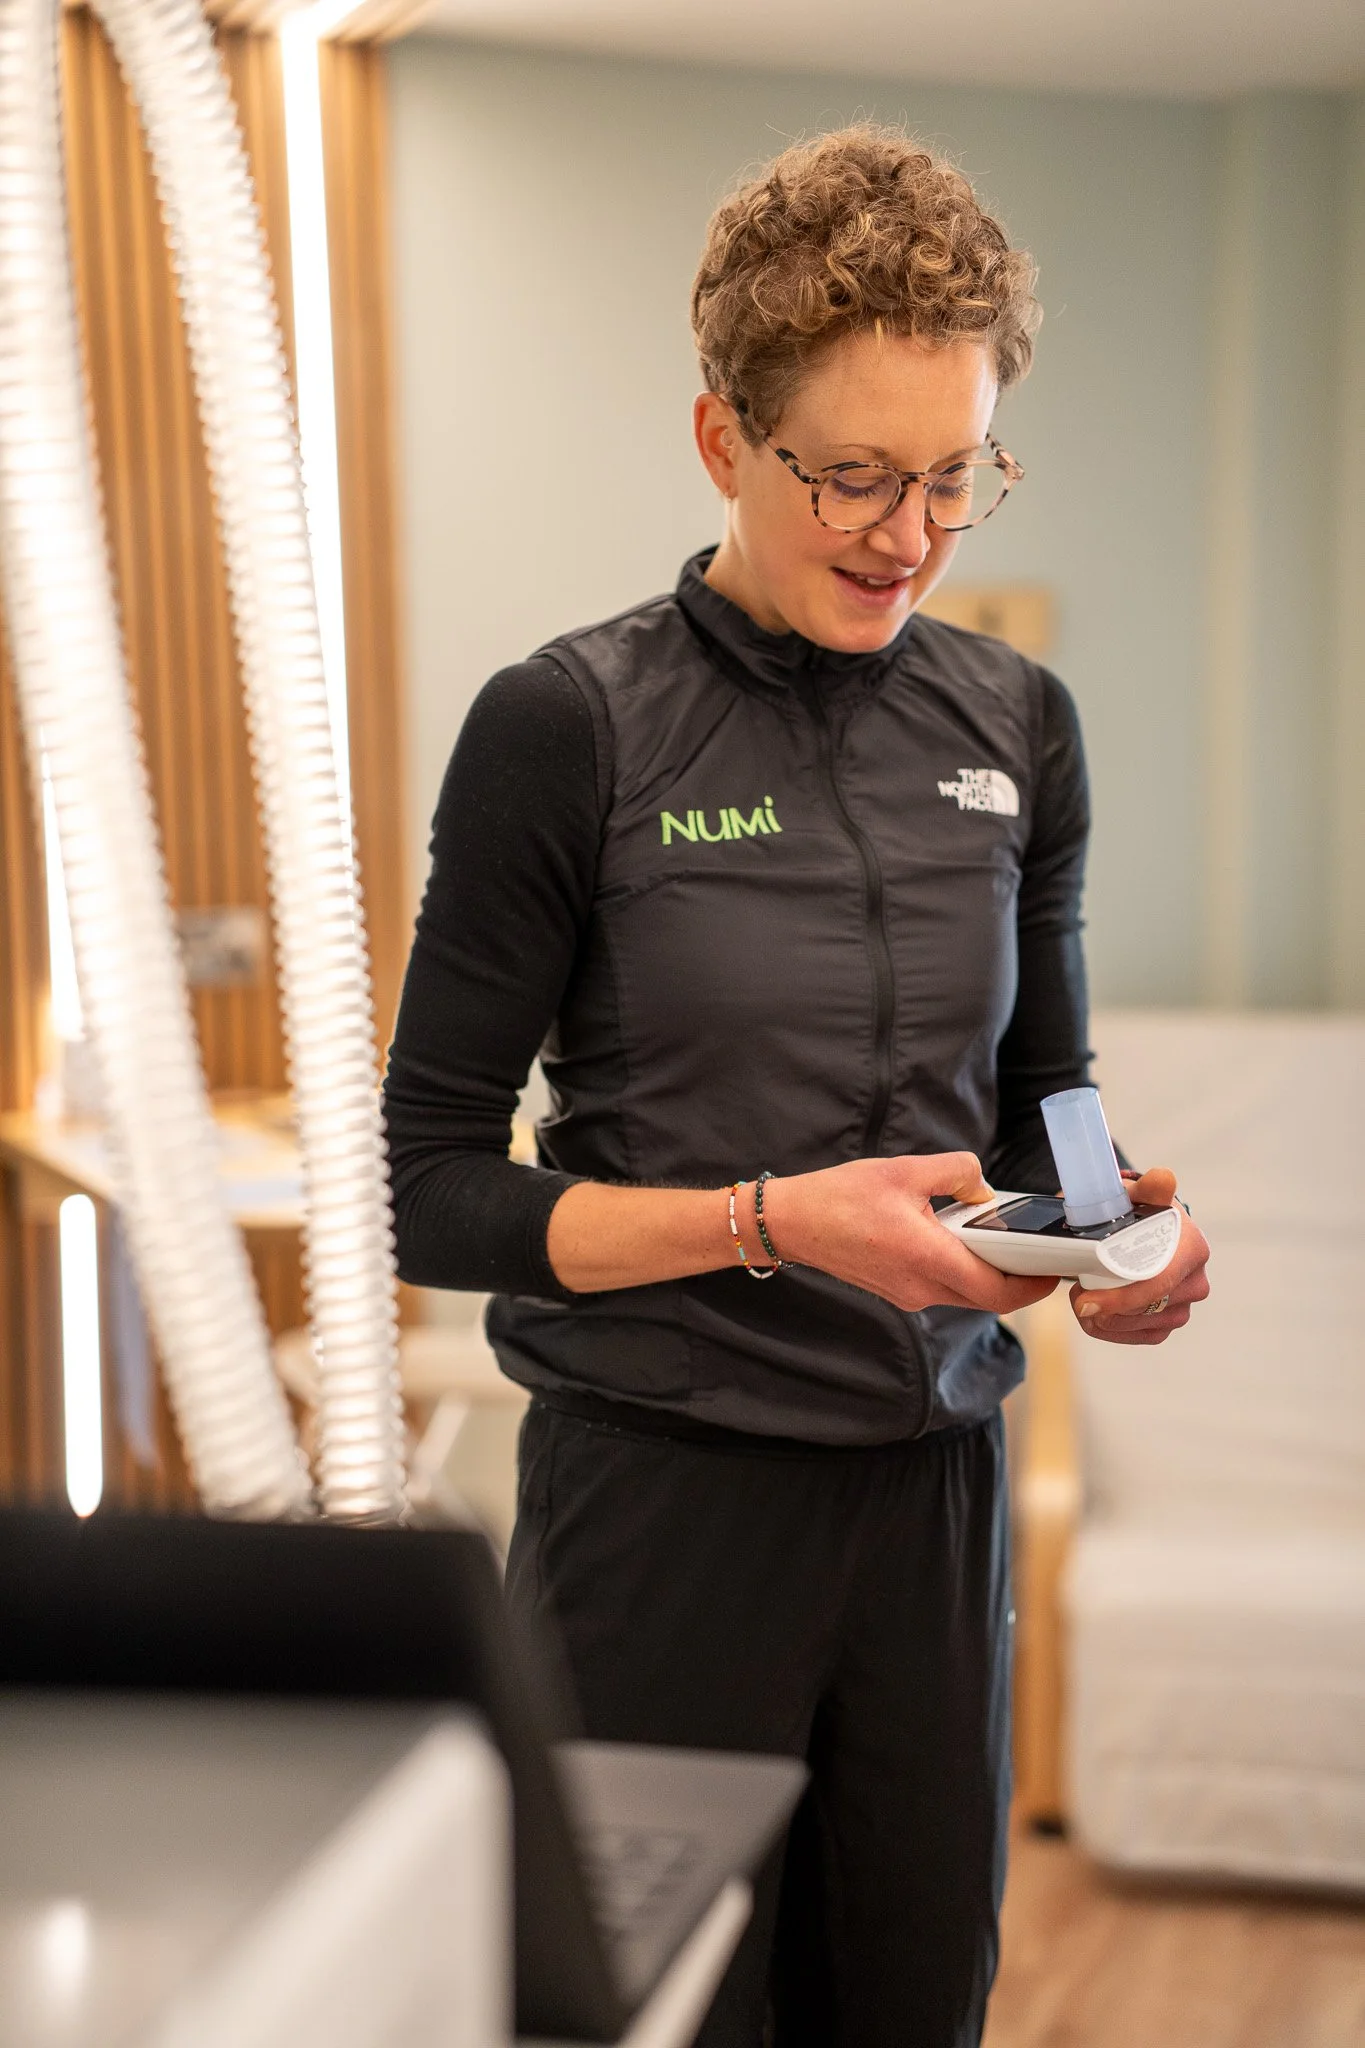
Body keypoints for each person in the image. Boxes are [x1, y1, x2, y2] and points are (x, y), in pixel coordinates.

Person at [383, 126, 1211, 2048]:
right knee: (644, 2019)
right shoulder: (567, 728)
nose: (908, 537)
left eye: (953, 477)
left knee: (915, 2008)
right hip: (661, 1509)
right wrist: (771, 1224)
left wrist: (1107, 1227)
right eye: (850, 475)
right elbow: (431, 1187)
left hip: (932, 1509)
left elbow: (1044, 1091)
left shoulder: (1016, 725)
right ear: (717, 443)